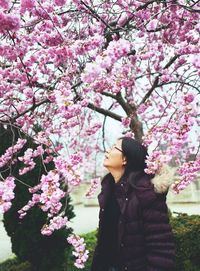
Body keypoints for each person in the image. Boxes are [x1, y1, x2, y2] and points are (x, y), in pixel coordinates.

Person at [91, 137, 175, 271]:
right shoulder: (109, 189)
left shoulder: (145, 193)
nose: (107, 151)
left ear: (125, 159)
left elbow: (160, 245)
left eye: (113, 148)